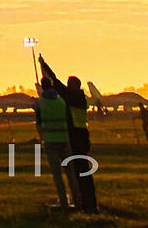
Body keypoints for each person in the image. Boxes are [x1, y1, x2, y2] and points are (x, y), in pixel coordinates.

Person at [35, 75, 73, 211]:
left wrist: (42, 138)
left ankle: (63, 202)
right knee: (70, 172)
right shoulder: (61, 101)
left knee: (57, 175)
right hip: (64, 139)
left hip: (50, 141)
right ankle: (77, 200)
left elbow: (38, 124)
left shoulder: (40, 103)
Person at [61, 71, 96, 212]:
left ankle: (86, 204)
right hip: (82, 137)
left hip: (77, 138)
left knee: (80, 173)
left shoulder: (75, 99)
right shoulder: (80, 98)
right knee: (83, 172)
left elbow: (59, 87)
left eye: (70, 85)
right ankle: (89, 202)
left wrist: (45, 67)